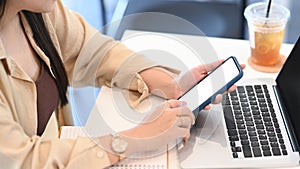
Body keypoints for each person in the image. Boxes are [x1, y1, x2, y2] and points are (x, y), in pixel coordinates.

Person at [0, 0, 244, 168]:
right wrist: (136, 137)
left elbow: (93, 52)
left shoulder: (36, 11)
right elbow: (23, 161)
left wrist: (172, 85)